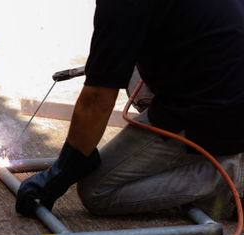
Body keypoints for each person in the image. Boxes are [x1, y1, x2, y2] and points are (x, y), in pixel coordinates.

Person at [16, 0, 244, 219]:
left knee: (97, 190)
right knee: (134, 76)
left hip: (219, 106)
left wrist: (62, 172)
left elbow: (97, 99)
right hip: (224, 74)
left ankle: (231, 175)